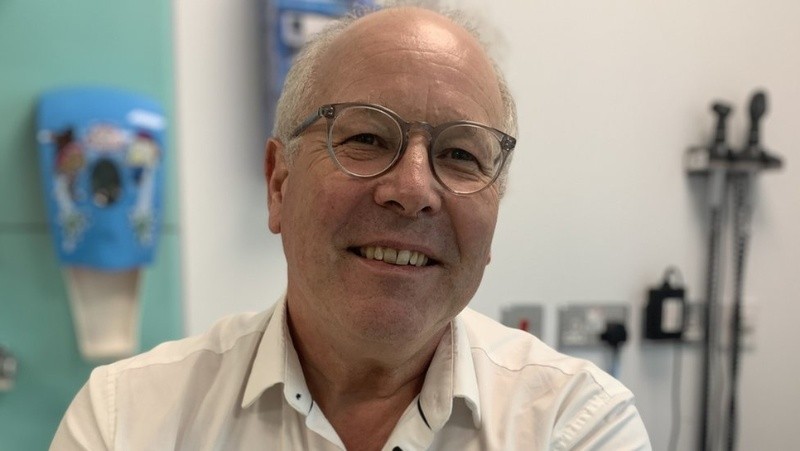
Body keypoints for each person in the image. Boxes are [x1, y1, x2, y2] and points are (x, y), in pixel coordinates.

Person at [51, 4, 651, 450]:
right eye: (366, 137)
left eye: (460, 155)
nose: (413, 190)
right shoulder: (124, 421)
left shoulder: (575, 424)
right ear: (279, 182)